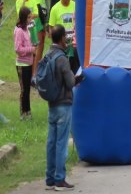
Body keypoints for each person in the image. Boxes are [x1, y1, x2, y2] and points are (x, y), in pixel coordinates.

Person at [45, 24, 83, 191]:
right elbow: (70, 82)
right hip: (63, 104)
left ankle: (50, 177)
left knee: (51, 142)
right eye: (66, 37)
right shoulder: (61, 58)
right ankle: (60, 178)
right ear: (61, 39)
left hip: (51, 104)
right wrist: (79, 78)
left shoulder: (47, 55)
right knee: (61, 143)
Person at [14, 6, 35, 120]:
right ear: (23, 18)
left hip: (29, 63)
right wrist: (30, 49)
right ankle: (23, 112)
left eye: (30, 17)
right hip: (22, 65)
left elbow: (30, 44)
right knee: (24, 90)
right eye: (28, 17)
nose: (30, 19)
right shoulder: (19, 31)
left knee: (28, 88)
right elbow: (18, 49)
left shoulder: (28, 29)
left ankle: (28, 111)